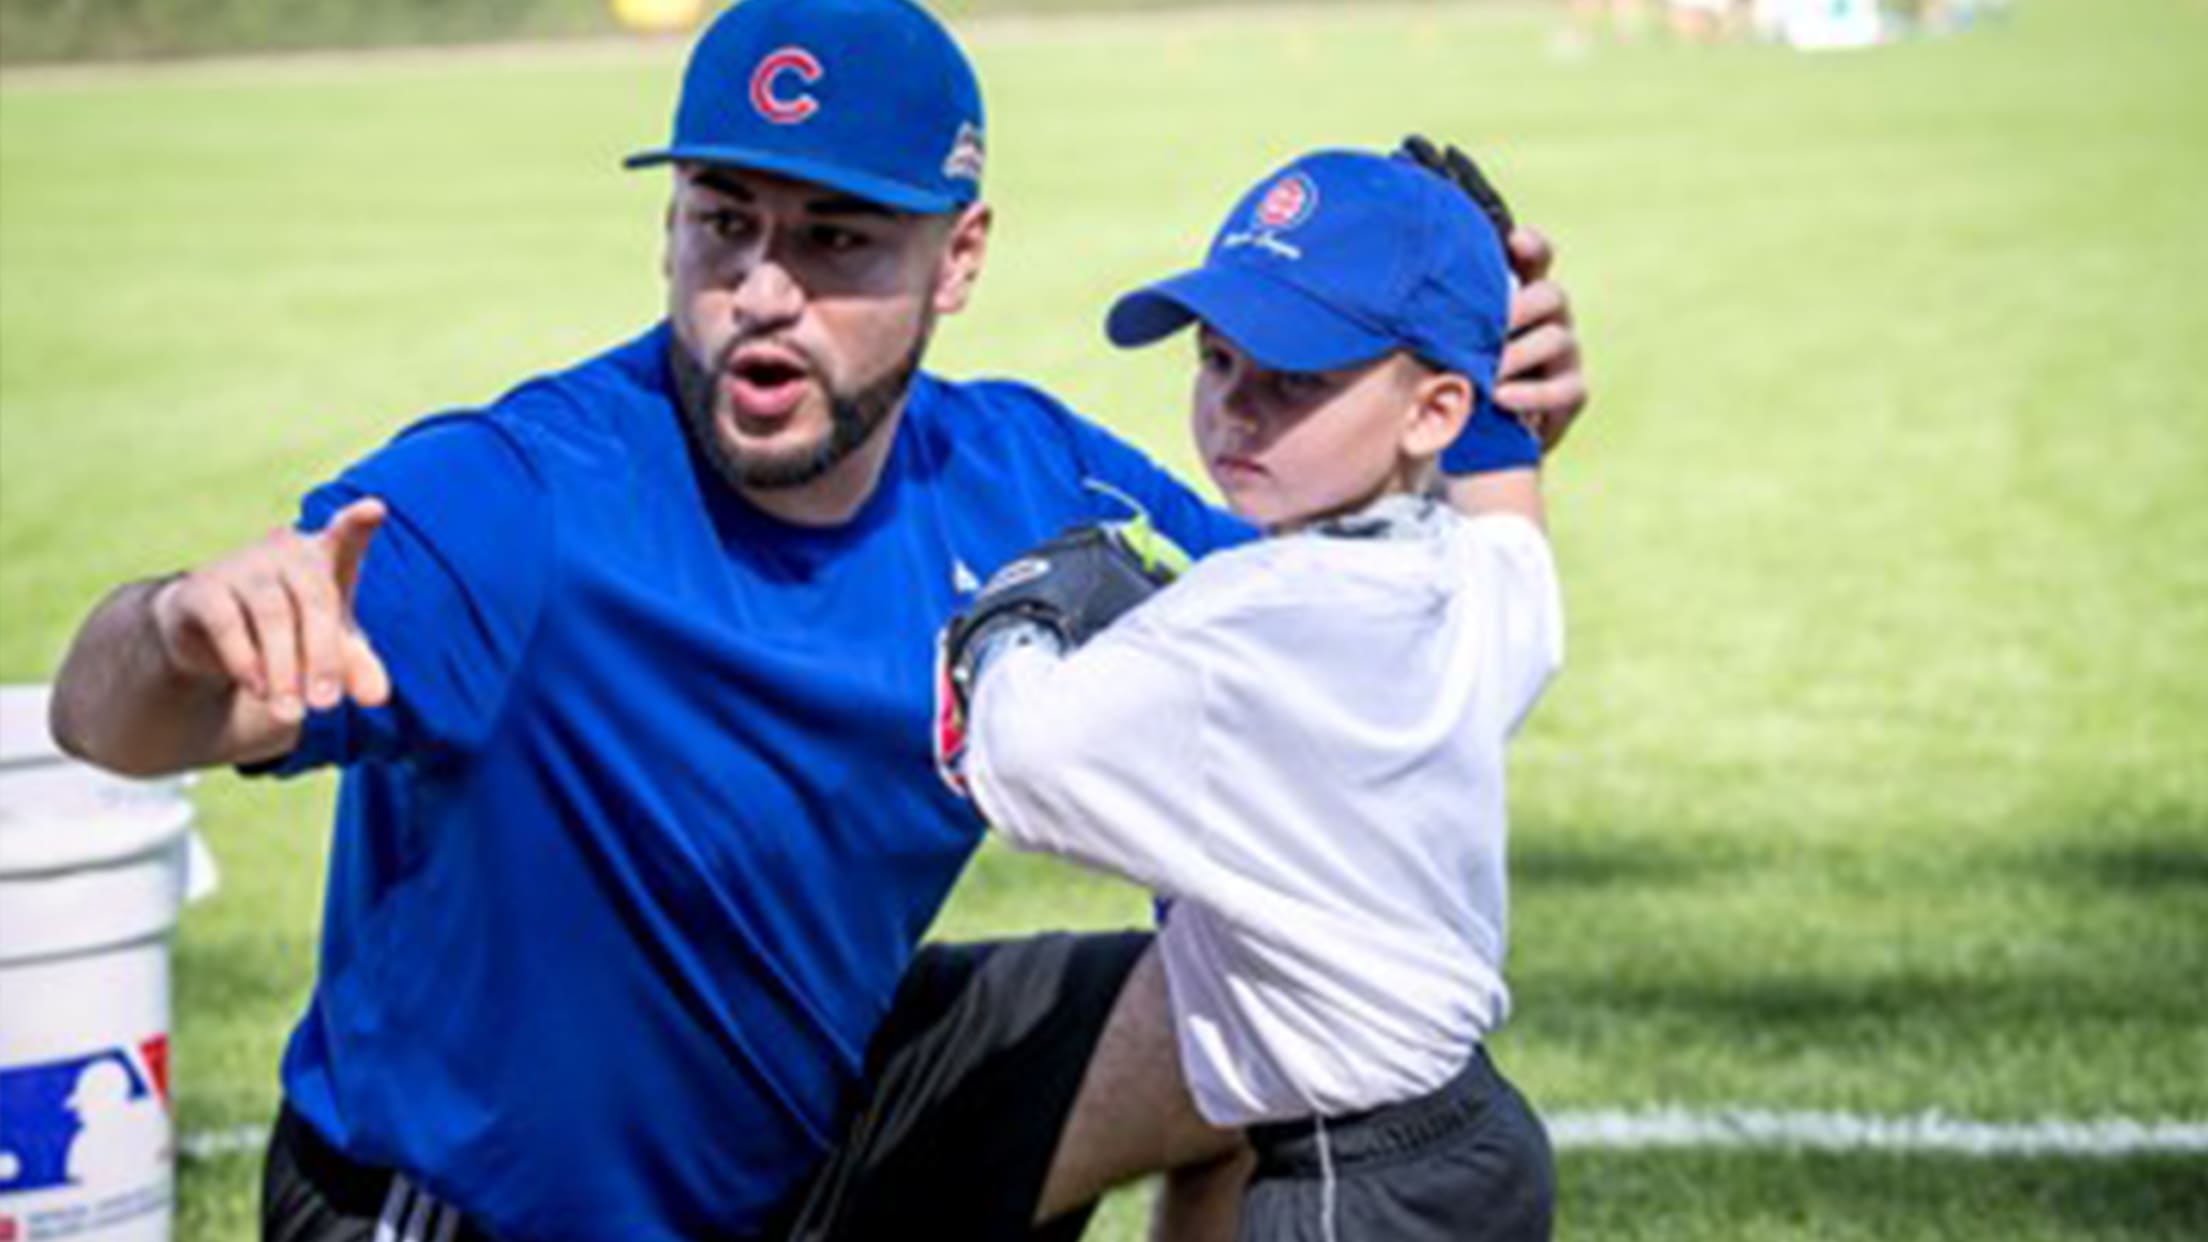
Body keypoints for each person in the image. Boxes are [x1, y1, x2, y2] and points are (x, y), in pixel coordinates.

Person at [45, 1, 1589, 1238]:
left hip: (811, 1126)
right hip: (471, 1208)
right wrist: (177, 624)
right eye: (726, 222)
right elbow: (109, 723)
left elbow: (1345, 620)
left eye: (838, 238)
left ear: (959, 256)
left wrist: (1468, 436)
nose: (763, 290)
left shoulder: (1028, 482)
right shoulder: (515, 503)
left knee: (1325, 1018)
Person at [941, 148, 1560, 1241]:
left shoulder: (1245, 616)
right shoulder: (1455, 575)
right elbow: (1512, 522)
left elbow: (1021, 761)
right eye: (1219, 361)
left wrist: (1010, 624)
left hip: (1345, 1181)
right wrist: (1491, 370)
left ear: (1431, 413)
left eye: (1298, 381)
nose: (1237, 411)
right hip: (1467, 1146)